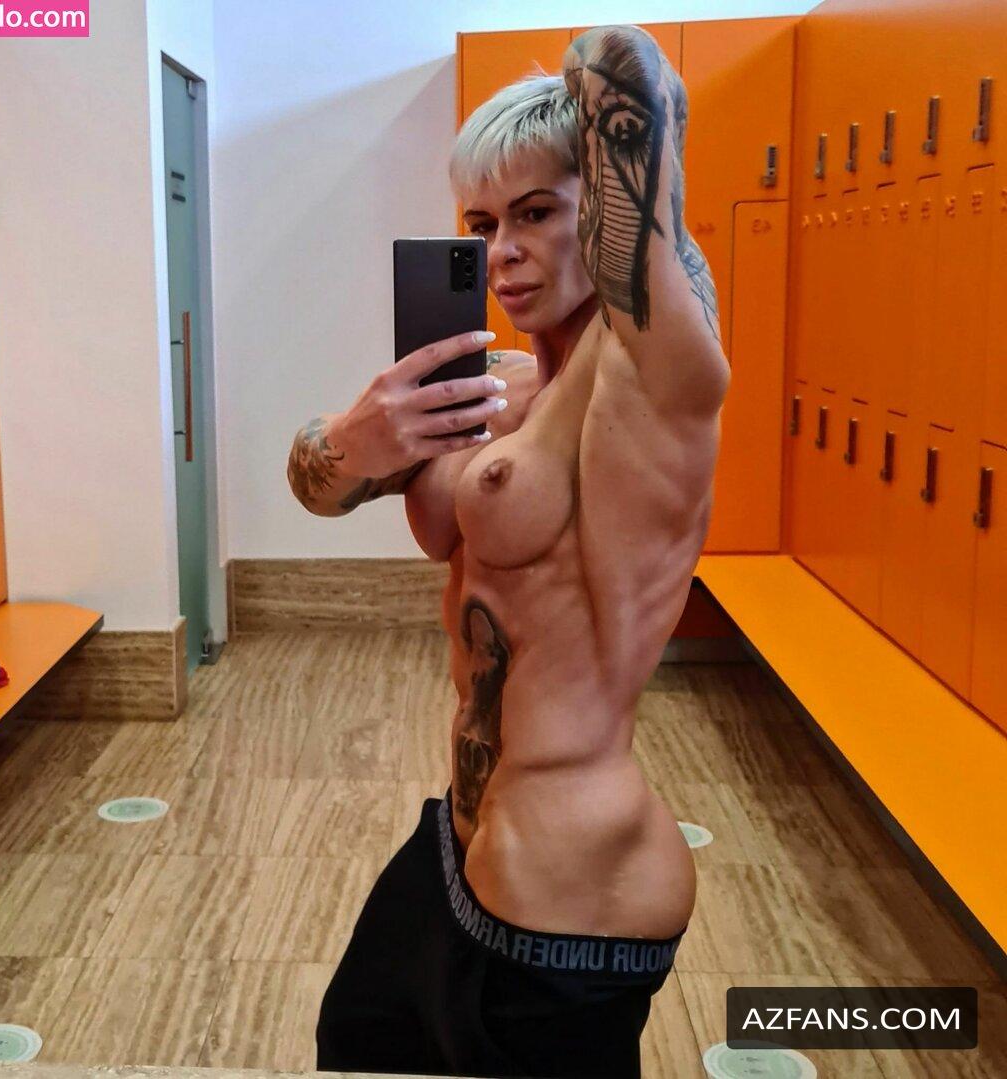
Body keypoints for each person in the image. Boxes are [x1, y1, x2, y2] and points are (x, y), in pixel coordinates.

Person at [287, 23, 730, 1079]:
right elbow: (318, 491)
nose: (502, 252)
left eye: (537, 212)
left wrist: (584, 108)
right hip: (460, 844)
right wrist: (359, 440)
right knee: (356, 1041)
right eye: (482, 224)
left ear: (606, 210)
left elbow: (628, 70)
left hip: (572, 903)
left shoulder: (651, 377)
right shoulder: (499, 390)